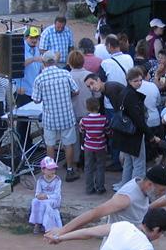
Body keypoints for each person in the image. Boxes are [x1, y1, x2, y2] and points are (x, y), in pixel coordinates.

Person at [46, 165, 166, 240]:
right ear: (149, 184)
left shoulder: (142, 187)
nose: (162, 194)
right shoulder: (126, 198)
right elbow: (94, 213)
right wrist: (62, 231)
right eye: (161, 190)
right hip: (117, 249)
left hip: (132, 243)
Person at [32, 51, 80, 182]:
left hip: (50, 117)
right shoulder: (65, 73)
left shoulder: (40, 78)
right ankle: (70, 170)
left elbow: (36, 99)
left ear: (43, 62)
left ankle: (50, 172)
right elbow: (76, 90)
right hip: (66, 115)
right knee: (68, 144)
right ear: (55, 61)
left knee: (50, 145)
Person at [80, 97, 108, 194]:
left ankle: (89, 188)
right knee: (100, 166)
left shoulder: (84, 120)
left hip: (88, 146)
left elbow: (82, 130)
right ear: (99, 106)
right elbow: (108, 131)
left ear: (87, 108)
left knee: (88, 167)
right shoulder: (104, 119)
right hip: (100, 146)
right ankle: (100, 187)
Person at [29, 156, 63, 234]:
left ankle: (48, 226)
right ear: (43, 170)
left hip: (54, 200)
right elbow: (37, 193)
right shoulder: (40, 180)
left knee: (47, 204)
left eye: (53, 169)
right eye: (49, 169)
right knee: (35, 202)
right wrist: (38, 196)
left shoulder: (57, 180)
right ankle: (37, 223)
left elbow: (57, 195)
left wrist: (47, 196)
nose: (52, 171)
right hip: (43, 199)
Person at [16, 26, 45, 103]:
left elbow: (37, 67)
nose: (34, 40)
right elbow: (18, 65)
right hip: (23, 90)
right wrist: (33, 59)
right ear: (26, 38)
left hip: (34, 90)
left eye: (36, 38)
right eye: (32, 37)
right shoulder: (20, 48)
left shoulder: (36, 49)